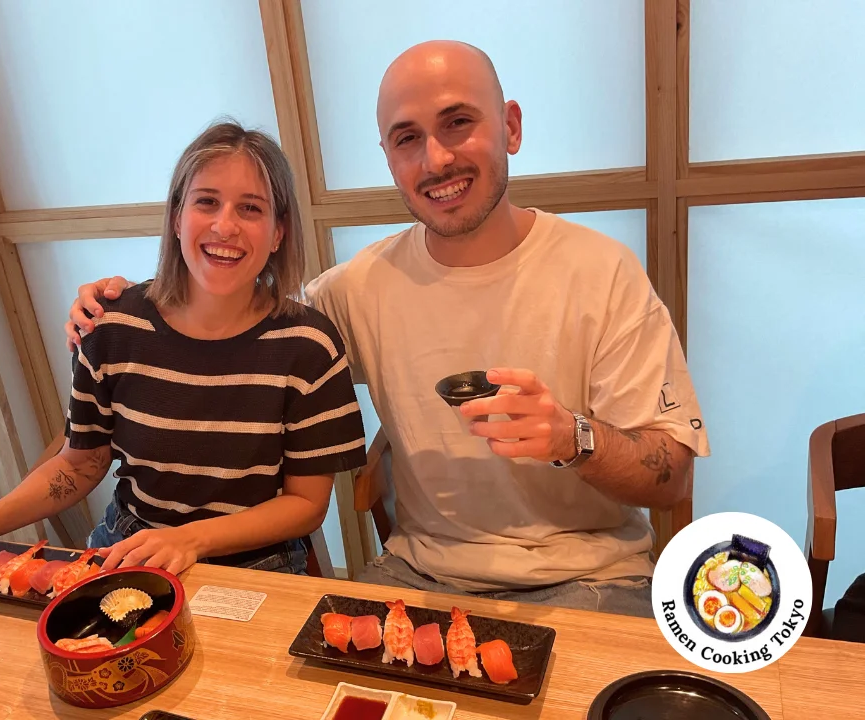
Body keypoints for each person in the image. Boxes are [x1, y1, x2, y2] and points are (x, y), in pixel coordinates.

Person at [65, 42, 710, 617]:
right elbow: (237, 323)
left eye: (459, 123)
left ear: (510, 126)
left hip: (591, 577)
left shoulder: (601, 271)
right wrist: (127, 302)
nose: (436, 158)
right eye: (407, 138)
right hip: (420, 573)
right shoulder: (357, 289)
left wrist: (574, 436)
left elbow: (672, 475)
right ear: (389, 158)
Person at [0, 122, 366, 579]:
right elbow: (82, 462)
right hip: (129, 547)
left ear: (278, 232)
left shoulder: (307, 345)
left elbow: (305, 505)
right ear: (177, 217)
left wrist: (190, 539)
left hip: (254, 564)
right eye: (207, 202)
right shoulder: (114, 326)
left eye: (250, 208)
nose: (225, 226)